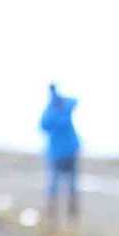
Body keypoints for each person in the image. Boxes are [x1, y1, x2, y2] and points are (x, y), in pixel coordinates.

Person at [39, 84, 80, 222]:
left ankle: (72, 214)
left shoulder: (65, 105)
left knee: (71, 185)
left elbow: (75, 101)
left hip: (69, 152)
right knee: (54, 185)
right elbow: (44, 126)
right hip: (57, 154)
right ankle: (52, 214)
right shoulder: (51, 111)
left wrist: (62, 102)